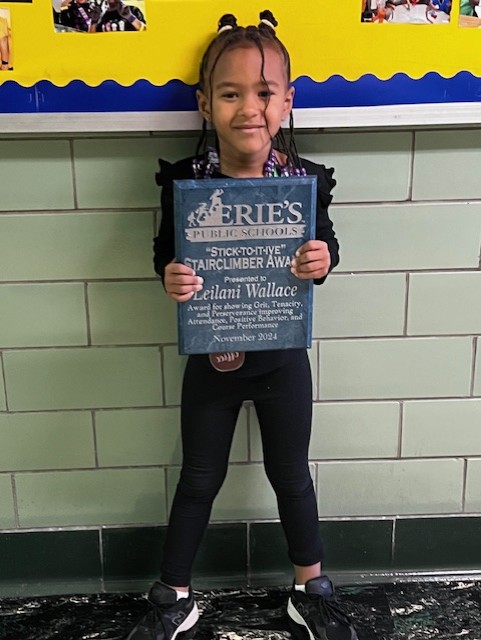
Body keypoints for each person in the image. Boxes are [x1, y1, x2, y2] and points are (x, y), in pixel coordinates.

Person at [124, 10, 358, 640]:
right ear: (205, 104)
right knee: (198, 477)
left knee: (292, 475)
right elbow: (163, 254)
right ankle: (174, 591)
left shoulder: (304, 183)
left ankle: (311, 585)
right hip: (212, 359)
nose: (248, 108)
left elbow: (326, 244)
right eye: (230, 93)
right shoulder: (187, 183)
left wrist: (321, 258)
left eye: (263, 92)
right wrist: (170, 275)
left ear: (287, 101)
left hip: (283, 359)